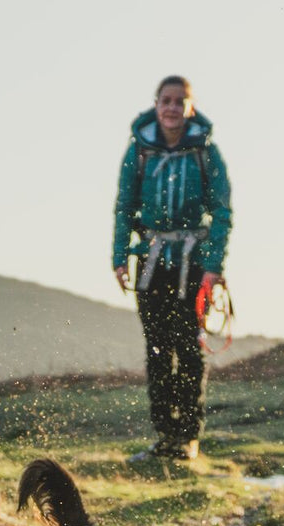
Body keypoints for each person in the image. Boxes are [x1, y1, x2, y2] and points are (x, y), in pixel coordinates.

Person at [112, 75, 232, 460]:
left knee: (189, 350)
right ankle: (164, 436)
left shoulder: (206, 153)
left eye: (180, 102)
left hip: (193, 266)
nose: (172, 108)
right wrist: (118, 257)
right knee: (158, 351)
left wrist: (213, 267)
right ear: (156, 104)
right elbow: (124, 207)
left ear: (189, 108)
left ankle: (188, 438)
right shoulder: (139, 152)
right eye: (166, 100)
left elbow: (222, 213)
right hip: (150, 263)